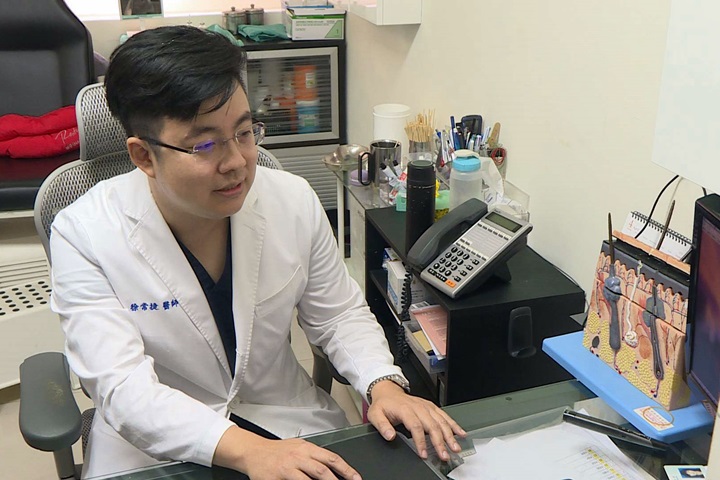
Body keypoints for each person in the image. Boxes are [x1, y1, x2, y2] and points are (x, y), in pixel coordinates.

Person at [50, 25, 465, 479]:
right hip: (154, 449)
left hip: (282, 419)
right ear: (144, 156)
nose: (236, 162)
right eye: (204, 144)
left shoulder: (292, 199)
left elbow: (337, 314)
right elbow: (123, 388)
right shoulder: (84, 234)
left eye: (245, 132)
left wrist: (382, 384)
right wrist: (250, 453)